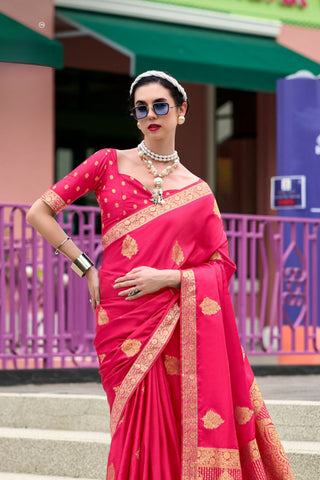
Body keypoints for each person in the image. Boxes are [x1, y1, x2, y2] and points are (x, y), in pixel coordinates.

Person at [27, 70, 295, 480]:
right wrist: (85, 268)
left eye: (159, 106)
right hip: (120, 317)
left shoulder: (198, 191)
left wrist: (169, 278)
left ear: (181, 112)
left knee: (172, 424)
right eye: (141, 108)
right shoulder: (107, 162)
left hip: (173, 318)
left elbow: (221, 265)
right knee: (132, 428)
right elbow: (39, 212)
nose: (150, 114)